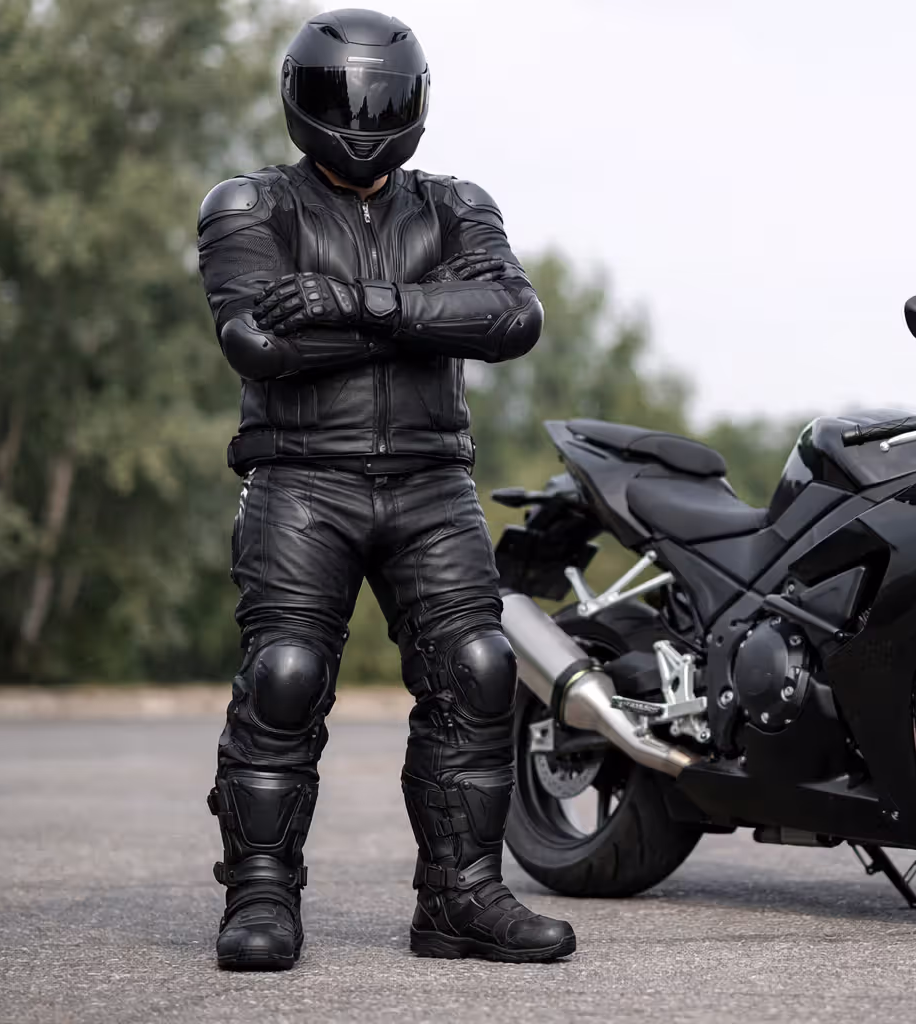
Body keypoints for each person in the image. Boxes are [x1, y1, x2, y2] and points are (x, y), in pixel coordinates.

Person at [195, 8, 573, 969]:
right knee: (283, 679)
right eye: (342, 97)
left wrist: (353, 301)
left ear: (415, 105)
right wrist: (430, 320)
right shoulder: (248, 205)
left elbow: (514, 316)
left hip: (431, 483)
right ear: (299, 98)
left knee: (481, 671)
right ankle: (260, 901)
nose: (363, 115)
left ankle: (461, 898)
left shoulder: (456, 205)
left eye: (383, 98)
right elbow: (257, 343)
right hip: (299, 482)